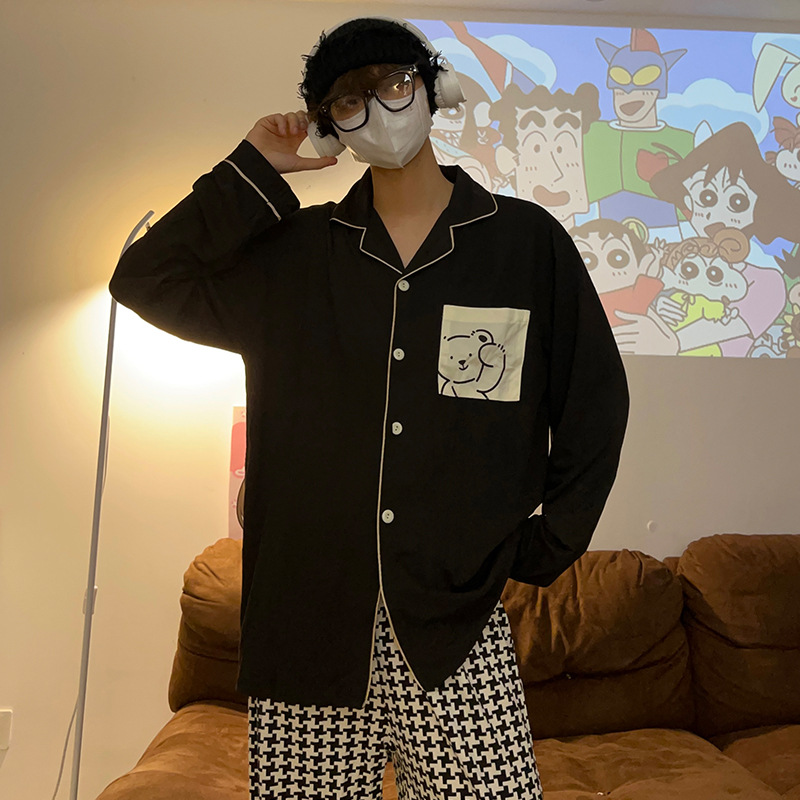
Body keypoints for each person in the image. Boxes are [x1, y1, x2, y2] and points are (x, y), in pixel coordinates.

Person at [109, 16, 629, 800]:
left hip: (458, 629)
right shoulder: (294, 254)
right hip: (306, 628)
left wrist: (547, 543)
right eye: (349, 101)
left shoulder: (525, 244)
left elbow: (595, 400)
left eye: (394, 84)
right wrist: (256, 167)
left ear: (433, 89)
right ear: (331, 128)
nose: (378, 109)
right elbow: (145, 278)